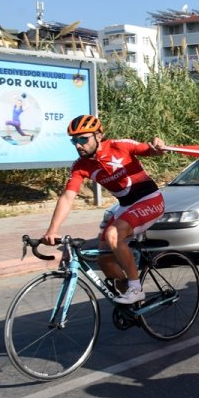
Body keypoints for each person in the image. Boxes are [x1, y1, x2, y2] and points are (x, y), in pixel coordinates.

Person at [42, 115, 166, 304]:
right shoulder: (80, 166)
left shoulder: (119, 146)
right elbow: (67, 197)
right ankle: (130, 298)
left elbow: (150, 150)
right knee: (104, 259)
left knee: (113, 235)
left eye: (83, 139)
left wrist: (157, 146)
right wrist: (52, 229)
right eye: (74, 140)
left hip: (149, 200)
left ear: (99, 136)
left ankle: (136, 289)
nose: (78, 145)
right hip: (125, 207)